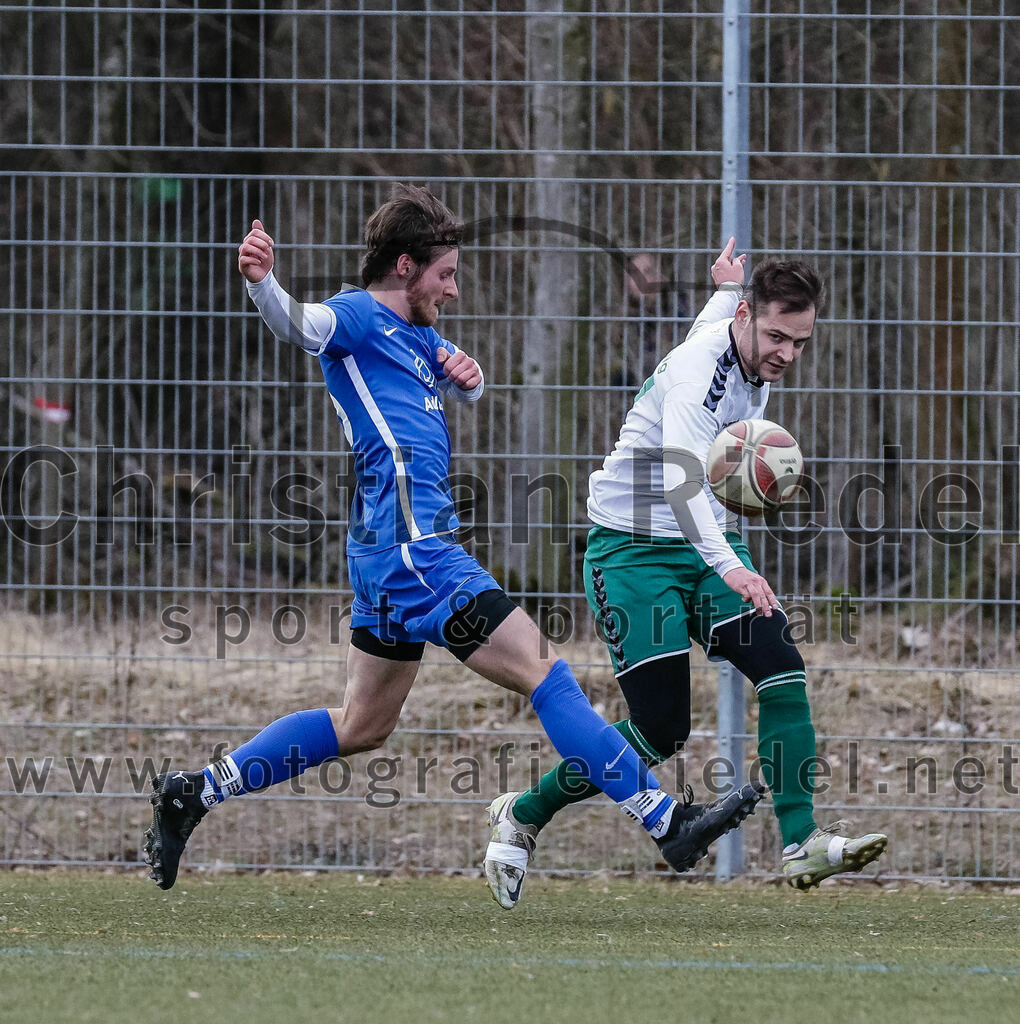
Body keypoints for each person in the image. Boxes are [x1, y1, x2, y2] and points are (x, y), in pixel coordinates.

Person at [143, 186, 763, 891]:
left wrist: (466, 379)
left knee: (361, 724)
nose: (456, 290)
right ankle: (663, 820)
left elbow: (451, 381)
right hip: (417, 551)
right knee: (543, 671)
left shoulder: (415, 334)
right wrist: (263, 284)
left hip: (386, 553)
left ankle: (193, 791)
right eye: (446, 275)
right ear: (405, 267)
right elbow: (300, 324)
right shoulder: (356, 314)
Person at [483, 239, 887, 906]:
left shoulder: (737, 337)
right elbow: (681, 486)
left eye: (801, 342)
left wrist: (724, 287)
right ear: (750, 316)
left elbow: (715, 325)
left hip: (701, 546)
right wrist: (731, 567)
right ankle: (524, 813)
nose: (787, 353)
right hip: (632, 551)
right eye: (778, 336)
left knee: (781, 668)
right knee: (659, 730)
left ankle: (800, 841)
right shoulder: (700, 373)